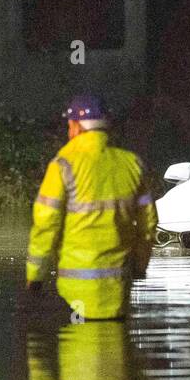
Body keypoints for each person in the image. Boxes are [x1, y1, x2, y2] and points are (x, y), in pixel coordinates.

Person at [26, 94, 156, 321]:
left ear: (76, 127)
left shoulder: (63, 164)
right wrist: (139, 265)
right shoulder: (132, 164)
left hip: (75, 292)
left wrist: (35, 275)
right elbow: (149, 222)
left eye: (69, 125)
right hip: (119, 289)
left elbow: (46, 222)